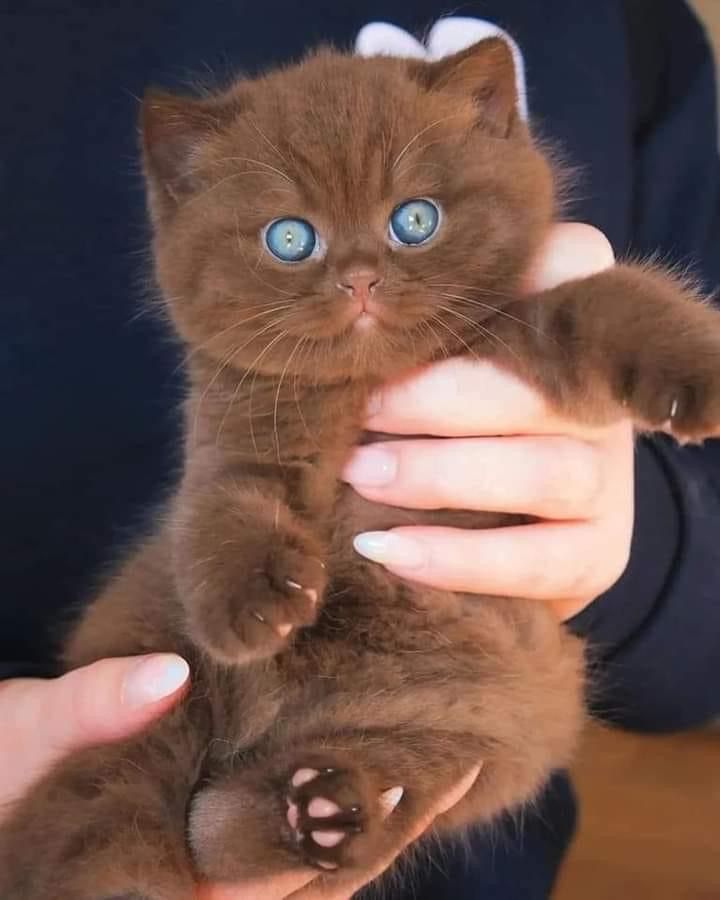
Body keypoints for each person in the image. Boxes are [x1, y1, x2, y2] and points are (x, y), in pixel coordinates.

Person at [1, 1, 718, 898]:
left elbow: (582, 322)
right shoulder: (253, 380)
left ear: (500, 126)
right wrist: (244, 563)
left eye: (411, 221)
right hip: (187, 674)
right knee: (132, 728)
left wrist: (639, 519)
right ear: (178, 196)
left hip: (440, 684)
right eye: (291, 241)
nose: (359, 274)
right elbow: (242, 489)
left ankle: (279, 813)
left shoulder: (622, 36)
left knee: (495, 731)